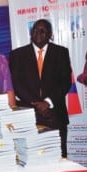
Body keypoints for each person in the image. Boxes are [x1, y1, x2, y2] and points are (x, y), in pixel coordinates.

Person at [9, 19, 72, 158]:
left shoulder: (61, 53)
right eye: (35, 30)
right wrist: (37, 104)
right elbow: (16, 83)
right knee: (32, 158)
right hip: (28, 114)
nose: (38, 33)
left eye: (42, 31)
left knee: (59, 157)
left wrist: (48, 102)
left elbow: (65, 82)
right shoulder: (17, 54)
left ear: (49, 34)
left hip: (55, 114)